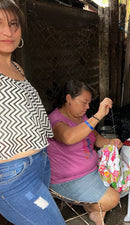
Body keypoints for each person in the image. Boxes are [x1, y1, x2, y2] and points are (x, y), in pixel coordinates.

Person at [0, 1, 66, 224]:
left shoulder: (17, 68)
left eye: (13, 23)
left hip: (39, 162)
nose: (8, 31)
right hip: (12, 175)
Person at [47, 80, 121, 225]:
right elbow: (68, 137)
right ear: (68, 98)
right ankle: (91, 208)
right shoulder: (55, 121)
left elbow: (96, 138)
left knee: (122, 181)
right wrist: (98, 115)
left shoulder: (81, 117)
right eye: (84, 102)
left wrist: (110, 142)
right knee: (113, 198)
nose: (87, 107)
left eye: (89, 103)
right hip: (68, 179)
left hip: (91, 171)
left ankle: (95, 210)